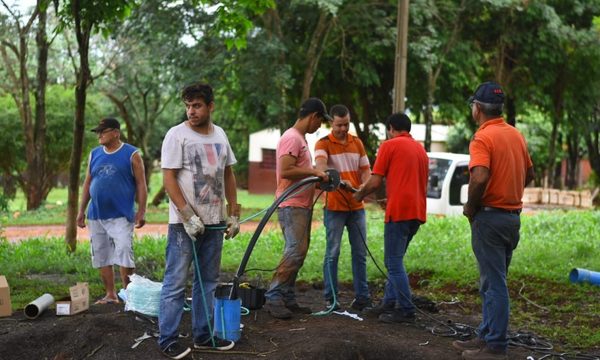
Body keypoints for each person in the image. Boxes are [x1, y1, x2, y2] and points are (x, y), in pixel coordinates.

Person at [158, 83, 241, 359]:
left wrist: (235, 213)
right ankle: (168, 339)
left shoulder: (220, 135)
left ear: (210, 107)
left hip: (215, 223)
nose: (191, 111)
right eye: (188, 106)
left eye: (197, 105)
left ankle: (203, 336)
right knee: (175, 282)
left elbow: (228, 174)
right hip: (184, 226)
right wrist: (187, 215)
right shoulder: (176, 135)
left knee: (207, 282)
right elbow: (168, 178)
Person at [453, 82, 534, 360]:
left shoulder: (482, 138)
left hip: (489, 217)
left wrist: (470, 206)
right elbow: (530, 174)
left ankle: (496, 346)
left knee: (494, 284)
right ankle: (485, 337)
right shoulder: (516, 135)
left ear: (477, 109)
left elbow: (480, 176)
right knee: (491, 281)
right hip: (512, 219)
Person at [353, 112, 428, 324]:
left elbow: (375, 182)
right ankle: (389, 300)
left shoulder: (389, 145)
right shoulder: (420, 149)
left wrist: (360, 193)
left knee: (393, 262)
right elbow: (410, 181)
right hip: (417, 212)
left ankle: (405, 309)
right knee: (397, 260)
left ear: (391, 129)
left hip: (400, 212)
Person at [263, 97, 330, 320]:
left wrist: (316, 179)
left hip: (301, 204)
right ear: (314, 117)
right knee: (294, 251)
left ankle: (288, 298)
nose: (319, 126)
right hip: (291, 204)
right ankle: (273, 296)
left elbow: (297, 171)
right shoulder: (292, 138)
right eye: (320, 122)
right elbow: (285, 170)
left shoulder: (299, 139)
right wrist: (314, 172)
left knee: (299, 252)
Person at [77, 117, 147, 304]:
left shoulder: (132, 154)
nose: (99, 135)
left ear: (116, 132)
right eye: (98, 132)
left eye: (103, 131)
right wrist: (81, 210)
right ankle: (110, 294)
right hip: (96, 214)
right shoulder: (94, 154)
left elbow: (141, 184)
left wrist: (141, 210)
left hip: (122, 215)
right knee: (101, 254)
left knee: (124, 251)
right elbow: (87, 183)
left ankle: (128, 295)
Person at [314, 104, 372, 311]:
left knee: (360, 253)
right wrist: (328, 175)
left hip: (356, 206)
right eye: (339, 125)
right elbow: (320, 166)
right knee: (333, 252)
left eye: (346, 124)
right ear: (332, 122)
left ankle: (362, 297)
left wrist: (363, 187)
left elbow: (366, 170)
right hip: (334, 207)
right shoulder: (323, 143)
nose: (343, 129)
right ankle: (331, 298)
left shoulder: (357, 143)